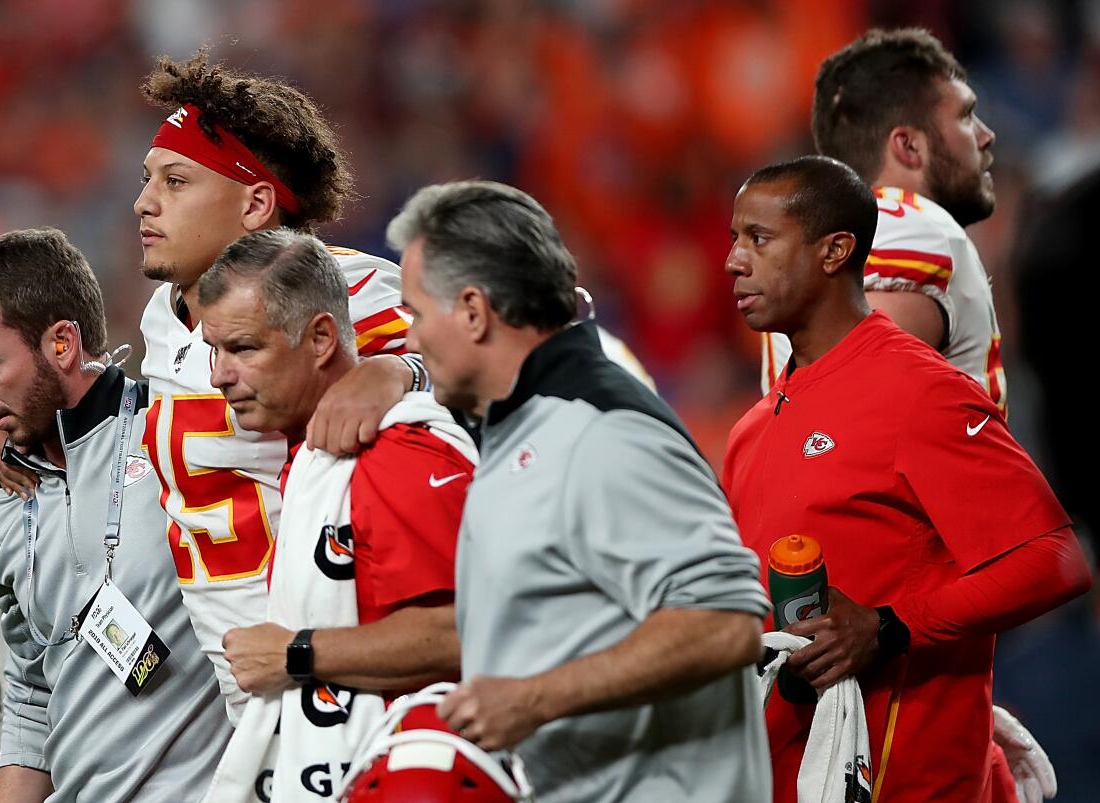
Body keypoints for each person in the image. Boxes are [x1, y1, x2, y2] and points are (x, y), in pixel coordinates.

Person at [0, 50, 424, 726]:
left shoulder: (348, 288)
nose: (143, 201)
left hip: (343, 685)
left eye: (177, 180)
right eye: (147, 178)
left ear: (254, 203)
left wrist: (400, 372)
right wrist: (45, 439)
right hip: (243, 702)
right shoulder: (166, 318)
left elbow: (506, 362)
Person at [387, 180, 772, 803]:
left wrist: (531, 699)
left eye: (415, 315)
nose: (409, 338)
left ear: (473, 311)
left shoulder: (600, 432)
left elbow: (725, 622)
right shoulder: (518, 421)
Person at [722, 155, 1091, 803]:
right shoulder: (751, 428)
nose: (733, 260)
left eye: (758, 238)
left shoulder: (916, 390)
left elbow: (1053, 560)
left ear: (835, 250)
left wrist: (891, 626)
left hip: (914, 781)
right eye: (734, 238)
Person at [0, 228, 230, 802]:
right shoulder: (8, 502)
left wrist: (405, 373)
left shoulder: (179, 437)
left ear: (63, 344)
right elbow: (32, 693)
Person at [193, 229, 476, 801]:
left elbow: (464, 636)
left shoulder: (391, 451)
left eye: (244, 349)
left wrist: (295, 653)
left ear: (321, 338)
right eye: (214, 351)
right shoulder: (313, 452)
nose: (220, 376)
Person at [763, 28, 1007, 415]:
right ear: (907, 145)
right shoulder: (910, 224)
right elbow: (847, 404)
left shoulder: (822, 237)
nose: (986, 135)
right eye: (965, 116)